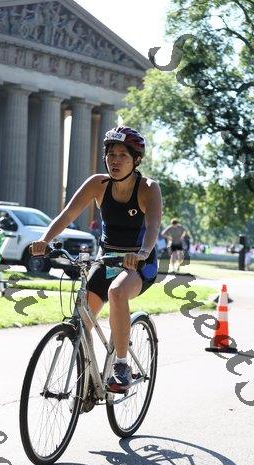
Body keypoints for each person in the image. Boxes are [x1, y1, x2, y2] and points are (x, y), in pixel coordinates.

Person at [31, 126, 162, 392]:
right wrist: (45, 240)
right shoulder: (97, 184)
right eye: (111, 154)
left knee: (116, 292)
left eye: (123, 155)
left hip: (139, 264)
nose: (115, 160)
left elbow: (153, 226)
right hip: (106, 259)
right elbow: (67, 215)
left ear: (136, 160)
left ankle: (121, 365)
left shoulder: (148, 188)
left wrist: (141, 254)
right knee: (82, 319)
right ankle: (89, 383)